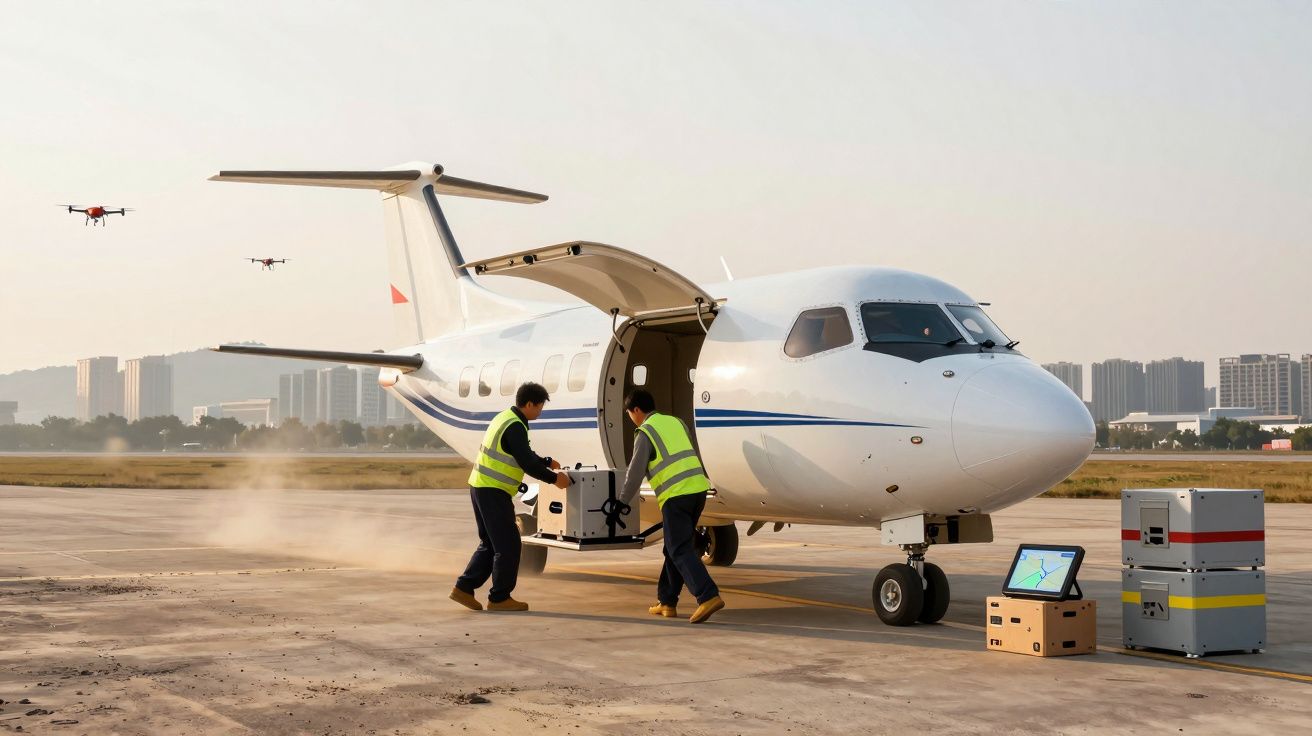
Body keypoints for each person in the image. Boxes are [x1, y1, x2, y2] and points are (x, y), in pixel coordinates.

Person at [450, 382, 570, 612]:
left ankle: (464, 588)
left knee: (491, 543)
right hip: (493, 491)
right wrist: (556, 479)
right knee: (509, 544)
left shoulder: (505, 418)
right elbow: (526, 463)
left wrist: (545, 461)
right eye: (540, 407)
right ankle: (499, 598)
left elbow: (521, 452)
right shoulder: (515, 426)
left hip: (480, 487)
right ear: (529, 404)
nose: (540, 412)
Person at [617, 389, 725, 624]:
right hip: (698, 490)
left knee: (679, 549)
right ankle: (667, 601)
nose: (631, 418)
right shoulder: (676, 422)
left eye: (629, 414)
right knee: (674, 547)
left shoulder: (645, 432)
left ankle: (707, 596)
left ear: (636, 410)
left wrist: (621, 503)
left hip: (675, 495)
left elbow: (634, 474)